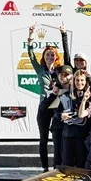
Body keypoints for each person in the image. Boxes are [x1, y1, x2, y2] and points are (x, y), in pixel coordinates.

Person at [27, 23, 63, 172]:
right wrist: (30, 37)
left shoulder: (60, 71)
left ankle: (57, 166)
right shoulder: (40, 69)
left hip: (57, 108)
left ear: (56, 57)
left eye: (52, 54)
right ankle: (44, 167)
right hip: (43, 107)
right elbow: (30, 55)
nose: (50, 56)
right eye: (47, 54)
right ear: (44, 57)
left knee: (57, 139)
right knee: (43, 138)